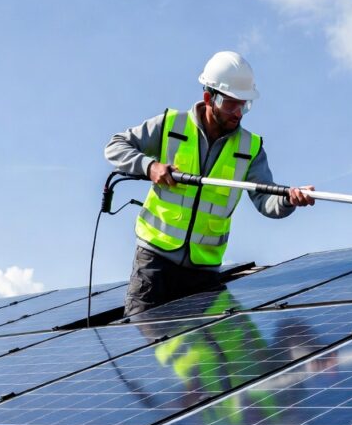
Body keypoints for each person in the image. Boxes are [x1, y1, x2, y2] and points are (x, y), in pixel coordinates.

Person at [105, 51, 314, 316]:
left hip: (203, 272)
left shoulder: (250, 149)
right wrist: (150, 166)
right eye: (231, 104)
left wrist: (287, 199)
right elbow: (115, 146)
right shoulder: (171, 126)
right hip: (154, 263)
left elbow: (265, 200)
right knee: (141, 346)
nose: (238, 113)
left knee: (199, 355)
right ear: (209, 98)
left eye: (245, 105)